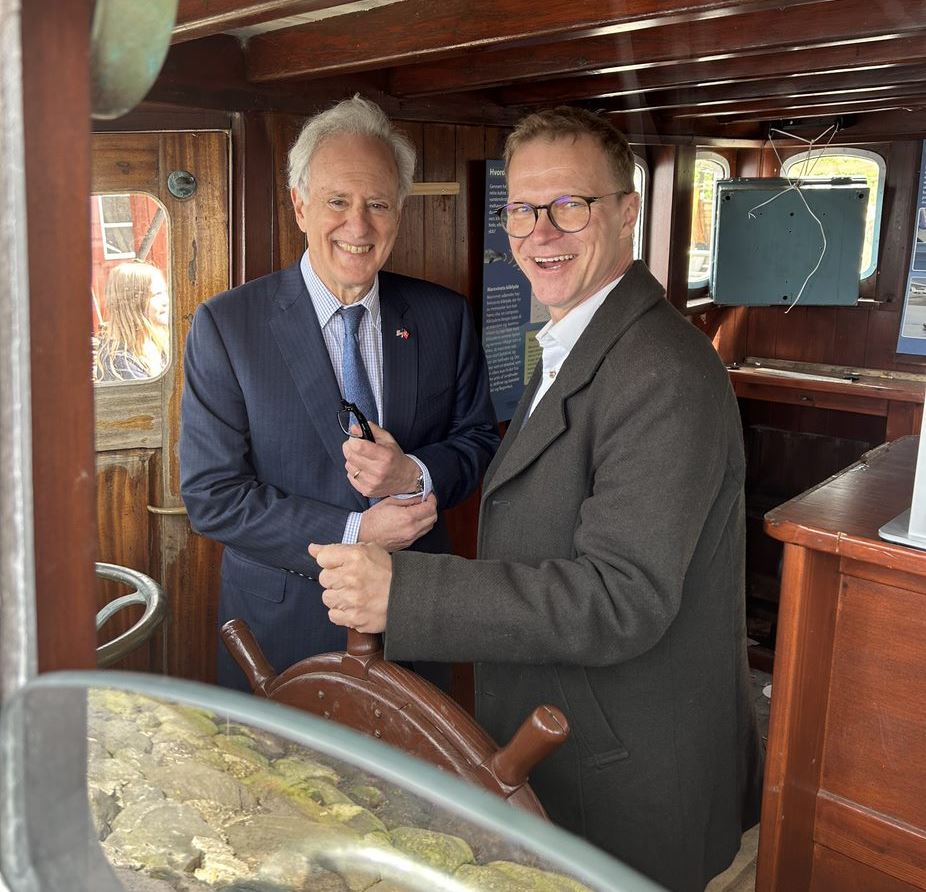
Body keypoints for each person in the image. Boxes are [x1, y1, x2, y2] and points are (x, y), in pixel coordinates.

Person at [310, 106, 763, 892]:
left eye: (569, 206)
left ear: (626, 212)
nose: (539, 232)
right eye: (521, 208)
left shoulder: (664, 372)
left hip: (624, 767)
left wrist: (404, 591)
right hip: (571, 742)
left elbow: (623, 596)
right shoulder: (583, 338)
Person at [180, 96, 499, 691]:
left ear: (399, 211)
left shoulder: (444, 317)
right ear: (300, 206)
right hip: (281, 629)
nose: (359, 226)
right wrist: (355, 533)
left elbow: (479, 439)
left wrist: (413, 474)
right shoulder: (227, 326)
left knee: (412, 782)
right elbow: (212, 496)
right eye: (337, 202)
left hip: (414, 619)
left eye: (378, 204)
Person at [94, 260, 170, 382]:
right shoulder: (119, 362)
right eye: (156, 295)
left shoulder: (160, 342)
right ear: (132, 305)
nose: (166, 301)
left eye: (165, 292)